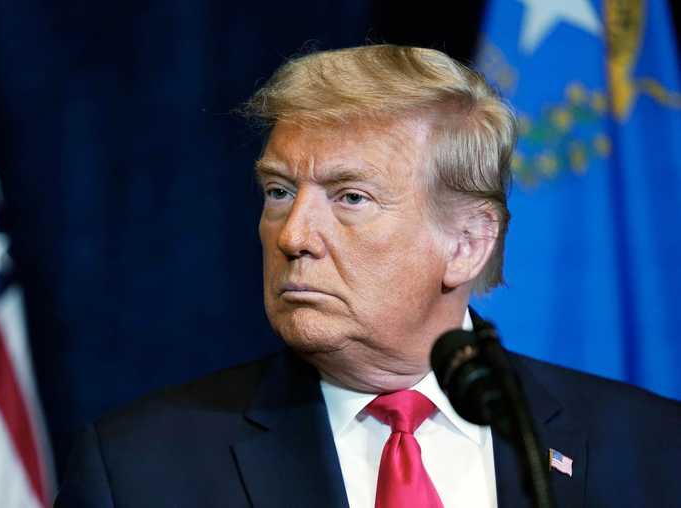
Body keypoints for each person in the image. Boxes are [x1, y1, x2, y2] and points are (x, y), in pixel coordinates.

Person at [54, 45, 681, 508]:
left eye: (350, 197)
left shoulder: (653, 451)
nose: (294, 235)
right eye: (278, 191)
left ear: (467, 244)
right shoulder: (137, 471)